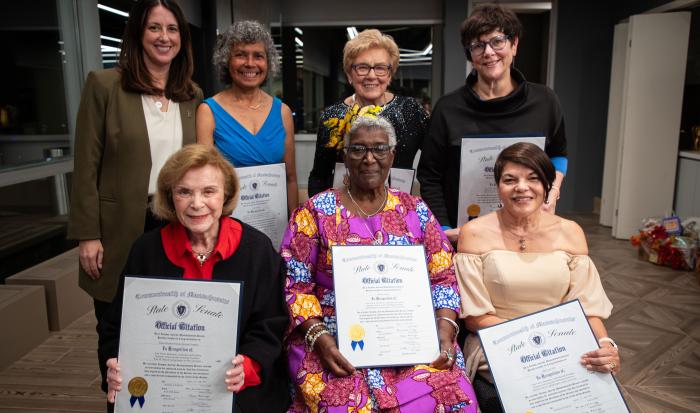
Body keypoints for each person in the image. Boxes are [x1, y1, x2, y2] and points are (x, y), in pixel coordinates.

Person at [281, 113, 478, 412]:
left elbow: (443, 278)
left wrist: (444, 331)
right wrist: (320, 338)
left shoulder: (416, 210)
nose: (369, 158)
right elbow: (296, 286)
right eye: (358, 149)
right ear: (345, 156)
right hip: (336, 338)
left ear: (393, 155)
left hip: (412, 334)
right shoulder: (314, 212)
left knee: (452, 397)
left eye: (379, 149)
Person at [66, 0, 201, 393]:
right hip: (120, 225)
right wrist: (87, 234)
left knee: (171, 323)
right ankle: (119, 403)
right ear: (138, 35)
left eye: (172, 29)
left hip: (175, 224)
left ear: (182, 38)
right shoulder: (104, 85)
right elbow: (86, 165)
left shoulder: (192, 95)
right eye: (154, 28)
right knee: (116, 325)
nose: (164, 37)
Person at [98, 145, 290, 412]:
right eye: (184, 191)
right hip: (158, 389)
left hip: (232, 388)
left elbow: (271, 323)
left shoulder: (256, 250)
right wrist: (113, 363)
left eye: (208, 191)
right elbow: (113, 326)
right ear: (170, 196)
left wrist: (248, 365)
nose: (197, 203)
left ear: (226, 194)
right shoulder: (146, 250)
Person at [455, 142, 619, 413]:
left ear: (546, 186)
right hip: (498, 341)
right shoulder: (475, 232)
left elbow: (587, 309)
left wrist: (605, 345)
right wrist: (541, 345)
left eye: (533, 178)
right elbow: (475, 316)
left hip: (562, 343)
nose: (521, 187)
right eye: (510, 180)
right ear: (498, 187)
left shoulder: (571, 232)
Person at [418, 3, 568, 241]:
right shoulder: (448, 108)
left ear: (514, 44)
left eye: (497, 41)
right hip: (467, 235)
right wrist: (445, 230)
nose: (488, 52)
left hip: (529, 232)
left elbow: (558, 154)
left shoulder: (545, 102)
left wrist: (554, 190)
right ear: (470, 55)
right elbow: (430, 176)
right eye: (478, 45)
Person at [307, 28, 429, 197]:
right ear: (350, 74)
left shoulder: (410, 110)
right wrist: (319, 216)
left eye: (380, 68)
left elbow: (434, 168)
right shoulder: (332, 116)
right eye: (362, 67)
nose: (371, 76)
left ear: (390, 75)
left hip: (398, 214)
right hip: (344, 215)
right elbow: (319, 177)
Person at [197, 20, 298, 214]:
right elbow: (205, 181)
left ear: (268, 63)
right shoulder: (208, 111)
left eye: (258, 56)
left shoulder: (282, 112)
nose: (250, 63)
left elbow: (291, 178)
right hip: (229, 221)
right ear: (226, 60)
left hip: (274, 221)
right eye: (241, 55)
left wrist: (294, 231)